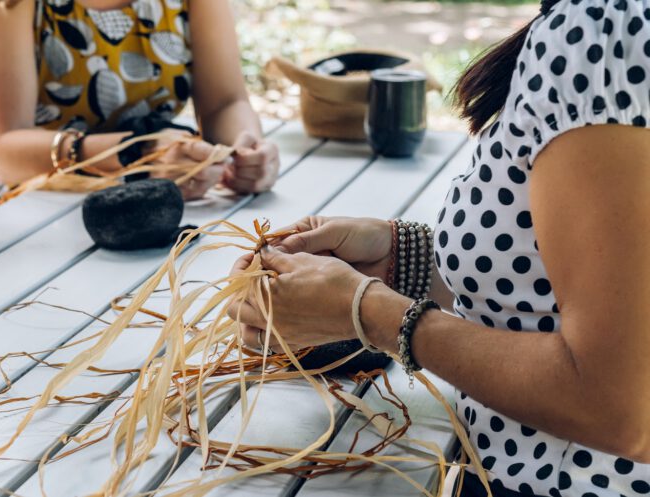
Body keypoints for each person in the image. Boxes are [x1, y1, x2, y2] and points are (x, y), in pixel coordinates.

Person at [227, 0, 650, 495]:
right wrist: (405, 258)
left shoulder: (605, 31)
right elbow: (580, 282)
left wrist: (370, 313)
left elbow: (620, 408)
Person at [0, 0, 279, 219]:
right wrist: (137, 158)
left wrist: (246, 151)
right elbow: (5, 150)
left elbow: (225, 102)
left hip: (151, 199)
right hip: (19, 209)